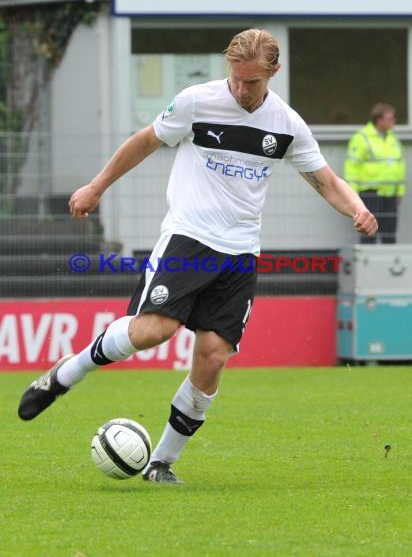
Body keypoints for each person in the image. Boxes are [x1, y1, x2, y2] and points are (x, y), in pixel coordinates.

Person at [17, 29, 378, 483]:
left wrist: (358, 209)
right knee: (154, 331)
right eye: (236, 78)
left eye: (252, 82)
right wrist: (96, 186)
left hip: (240, 253)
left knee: (212, 355)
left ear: (273, 73)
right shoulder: (196, 102)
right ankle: (67, 373)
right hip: (189, 237)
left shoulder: (287, 124)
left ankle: (161, 464)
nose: (242, 89)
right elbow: (144, 142)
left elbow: (326, 180)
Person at [344, 103, 405, 244]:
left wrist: (400, 191)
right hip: (370, 194)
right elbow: (352, 167)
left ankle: (389, 263)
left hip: (390, 194)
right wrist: (353, 193)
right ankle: (368, 264)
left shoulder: (392, 138)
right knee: (368, 233)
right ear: (379, 120)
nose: (394, 121)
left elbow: (400, 165)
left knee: (389, 234)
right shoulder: (362, 138)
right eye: (390, 119)